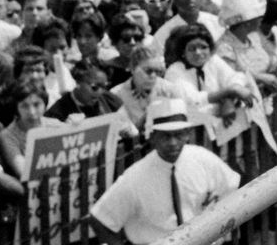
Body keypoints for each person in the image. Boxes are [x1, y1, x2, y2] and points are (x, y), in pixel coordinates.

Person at [90, 98, 239, 245]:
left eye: (178, 134)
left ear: (187, 134)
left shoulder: (203, 159)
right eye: (166, 136)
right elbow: (100, 220)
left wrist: (218, 230)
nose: (173, 143)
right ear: (153, 137)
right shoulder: (135, 177)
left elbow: (233, 190)